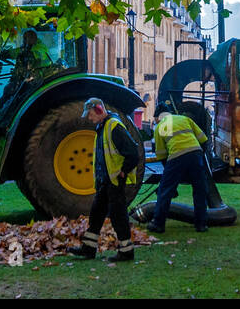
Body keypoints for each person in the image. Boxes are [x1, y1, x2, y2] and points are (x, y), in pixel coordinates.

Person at [68, 97, 141, 263]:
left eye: (91, 114)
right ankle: (88, 248)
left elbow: (133, 153)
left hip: (114, 181)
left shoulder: (113, 126)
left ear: (100, 110)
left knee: (118, 215)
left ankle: (126, 251)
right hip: (106, 181)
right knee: (96, 213)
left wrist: (122, 172)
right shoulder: (103, 127)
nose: (89, 118)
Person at [147, 103, 210, 234]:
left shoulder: (160, 127)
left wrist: (170, 174)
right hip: (195, 153)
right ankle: (201, 224)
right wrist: (198, 157)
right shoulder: (184, 119)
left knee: (165, 190)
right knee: (200, 189)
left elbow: (161, 154)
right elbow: (203, 139)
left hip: (176, 156)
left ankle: (158, 224)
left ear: (158, 117)